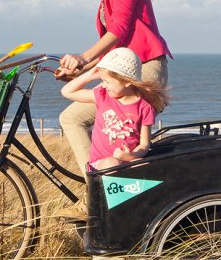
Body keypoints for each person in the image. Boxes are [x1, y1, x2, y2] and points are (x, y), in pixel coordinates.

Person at [56, 0, 172, 177]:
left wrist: (84, 59)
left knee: (72, 119)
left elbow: (119, 30)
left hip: (141, 69)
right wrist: (82, 69)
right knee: (91, 129)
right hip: (128, 66)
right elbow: (115, 47)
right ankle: (102, 192)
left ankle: (95, 192)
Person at [59, 48, 168, 218]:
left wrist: (130, 157)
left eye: (108, 82)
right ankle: (108, 212)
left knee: (152, 169)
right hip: (100, 164)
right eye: (103, 81)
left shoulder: (144, 107)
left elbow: (145, 144)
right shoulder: (103, 96)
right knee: (110, 163)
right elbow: (67, 91)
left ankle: (127, 212)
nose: (103, 85)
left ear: (126, 81)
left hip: (127, 162)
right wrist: (89, 75)